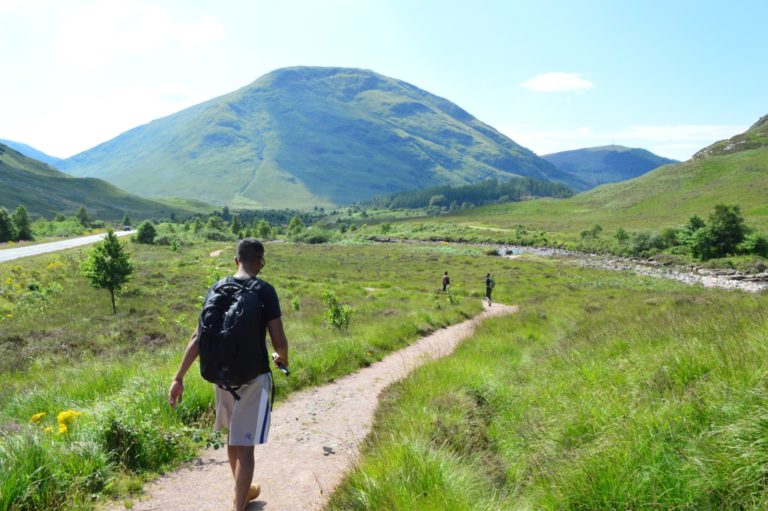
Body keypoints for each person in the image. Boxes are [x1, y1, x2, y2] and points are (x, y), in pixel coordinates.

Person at [168, 238, 289, 511]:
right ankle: (239, 505)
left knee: (233, 440)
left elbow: (198, 337)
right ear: (260, 262)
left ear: (236, 260)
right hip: (253, 379)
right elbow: (279, 341)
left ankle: (242, 494)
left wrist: (179, 377)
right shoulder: (265, 291)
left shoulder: (216, 287)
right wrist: (282, 360)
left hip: (221, 378)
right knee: (246, 449)